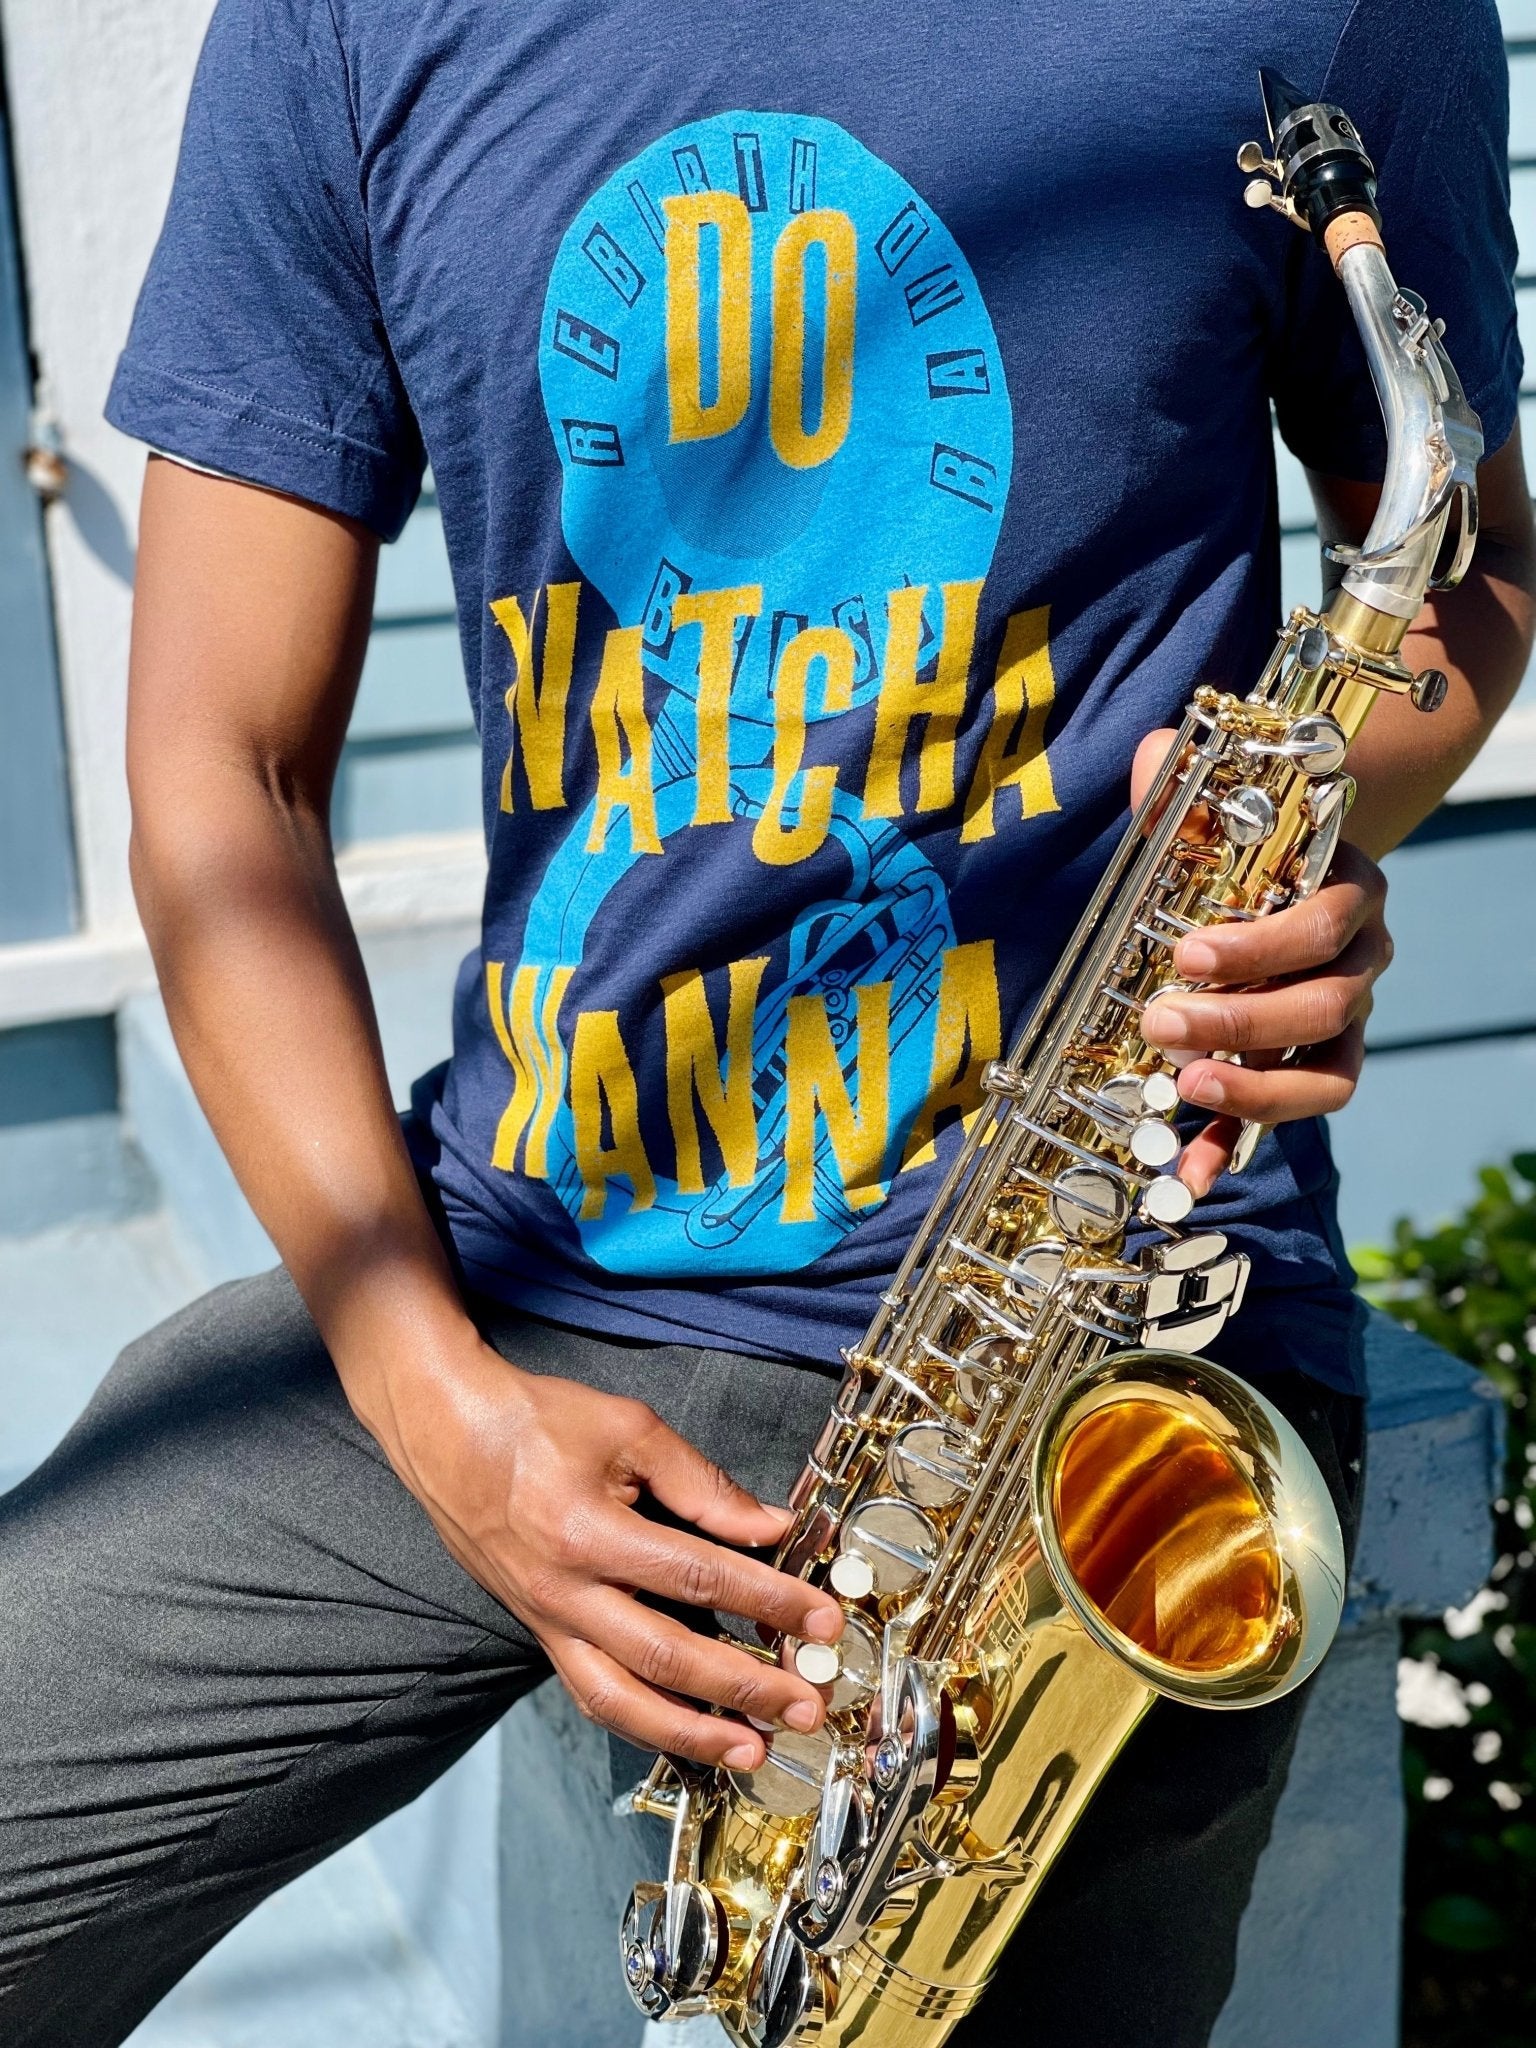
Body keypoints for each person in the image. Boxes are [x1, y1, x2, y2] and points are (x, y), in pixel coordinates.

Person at [2, 0, 1532, 2042]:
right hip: (495, 1285)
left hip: (1092, 1329)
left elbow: (1467, 566)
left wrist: (1297, 834)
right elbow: (220, 772)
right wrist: (432, 1402)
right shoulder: (344, 24)